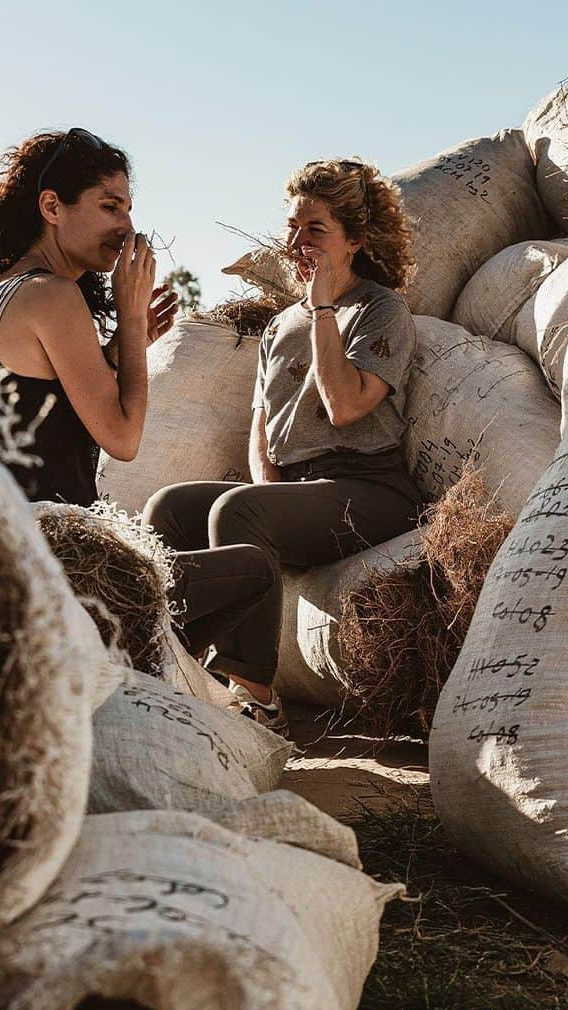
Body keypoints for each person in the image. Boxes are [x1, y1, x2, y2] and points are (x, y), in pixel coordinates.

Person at [0, 128, 273, 659]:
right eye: (110, 206)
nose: (127, 227)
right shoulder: (53, 295)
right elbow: (122, 437)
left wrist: (115, 352)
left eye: (130, 208)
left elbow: (38, 406)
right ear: (52, 206)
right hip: (69, 566)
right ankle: (169, 682)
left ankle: (144, 674)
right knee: (255, 569)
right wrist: (133, 321)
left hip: (5, 553)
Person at [144, 158, 421, 734]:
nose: (296, 243)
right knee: (169, 507)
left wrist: (323, 309)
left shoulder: (379, 309)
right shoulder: (282, 322)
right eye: (293, 227)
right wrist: (268, 494)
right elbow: (262, 425)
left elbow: (346, 406)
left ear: (356, 240)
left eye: (315, 230)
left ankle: (259, 701)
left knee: (238, 509)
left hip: (367, 490)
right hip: (299, 490)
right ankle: (182, 671)